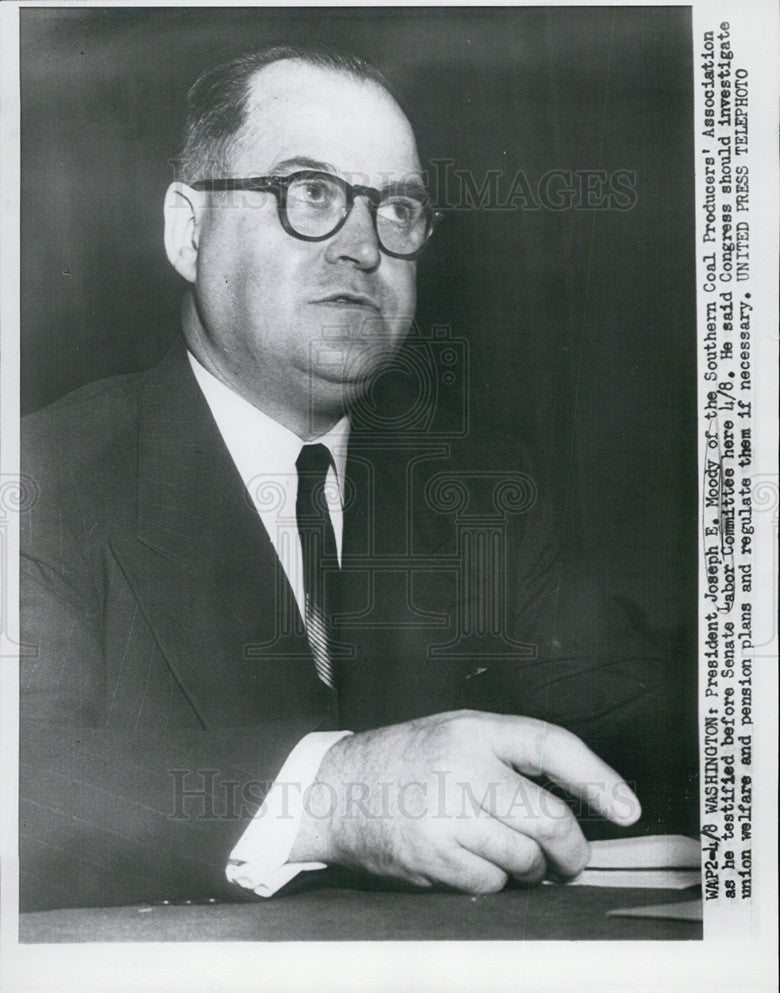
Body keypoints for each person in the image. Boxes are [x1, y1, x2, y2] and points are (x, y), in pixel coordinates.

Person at [19, 44, 696, 912]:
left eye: (399, 208)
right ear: (188, 231)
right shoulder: (42, 481)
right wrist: (335, 792)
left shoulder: (479, 490)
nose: (362, 245)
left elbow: (651, 717)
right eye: (311, 194)